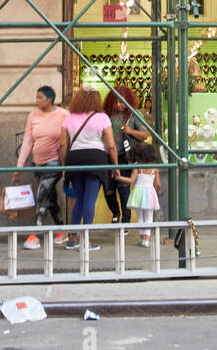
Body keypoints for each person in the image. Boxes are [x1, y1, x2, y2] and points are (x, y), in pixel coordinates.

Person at [59, 89, 116, 251]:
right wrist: (116, 166)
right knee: (90, 199)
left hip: (74, 159)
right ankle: (86, 240)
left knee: (80, 199)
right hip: (96, 159)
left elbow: (63, 145)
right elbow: (111, 145)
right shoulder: (102, 117)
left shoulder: (69, 118)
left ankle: (72, 239)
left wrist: (64, 166)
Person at [16, 86, 69, 250]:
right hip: (37, 163)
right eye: (36, 97)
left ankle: (35, 234)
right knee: (50, 198)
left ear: (50, 99)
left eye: (40, 98)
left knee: (42, 194)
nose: (37, 100)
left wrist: (67, 166)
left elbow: (68, 139)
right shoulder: (33, 115)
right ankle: (61, 229)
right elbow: (27, 140)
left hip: (55, 163)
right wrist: (19, 166)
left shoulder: (63, 115)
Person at [102, 85, 151, 225]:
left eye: (122, 101)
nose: (119, 105)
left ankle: (126, 219)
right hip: (108, 156)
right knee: (108, 189)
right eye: (116, 101)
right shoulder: (106, 115)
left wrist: (130, 131)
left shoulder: (134, 114)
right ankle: (115, 213)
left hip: (125, 157)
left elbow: (145, 134)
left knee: (123, 188)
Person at [120, 161, 161, 248]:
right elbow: (158, 184)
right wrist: (158, 191)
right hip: (150, 192)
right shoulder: (155, 168)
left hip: (138, 192)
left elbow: (131, 180)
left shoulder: (137, 167)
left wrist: (119, 177)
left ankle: (142, 239)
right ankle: (147, 240)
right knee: (149, 218)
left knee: (140, 218)